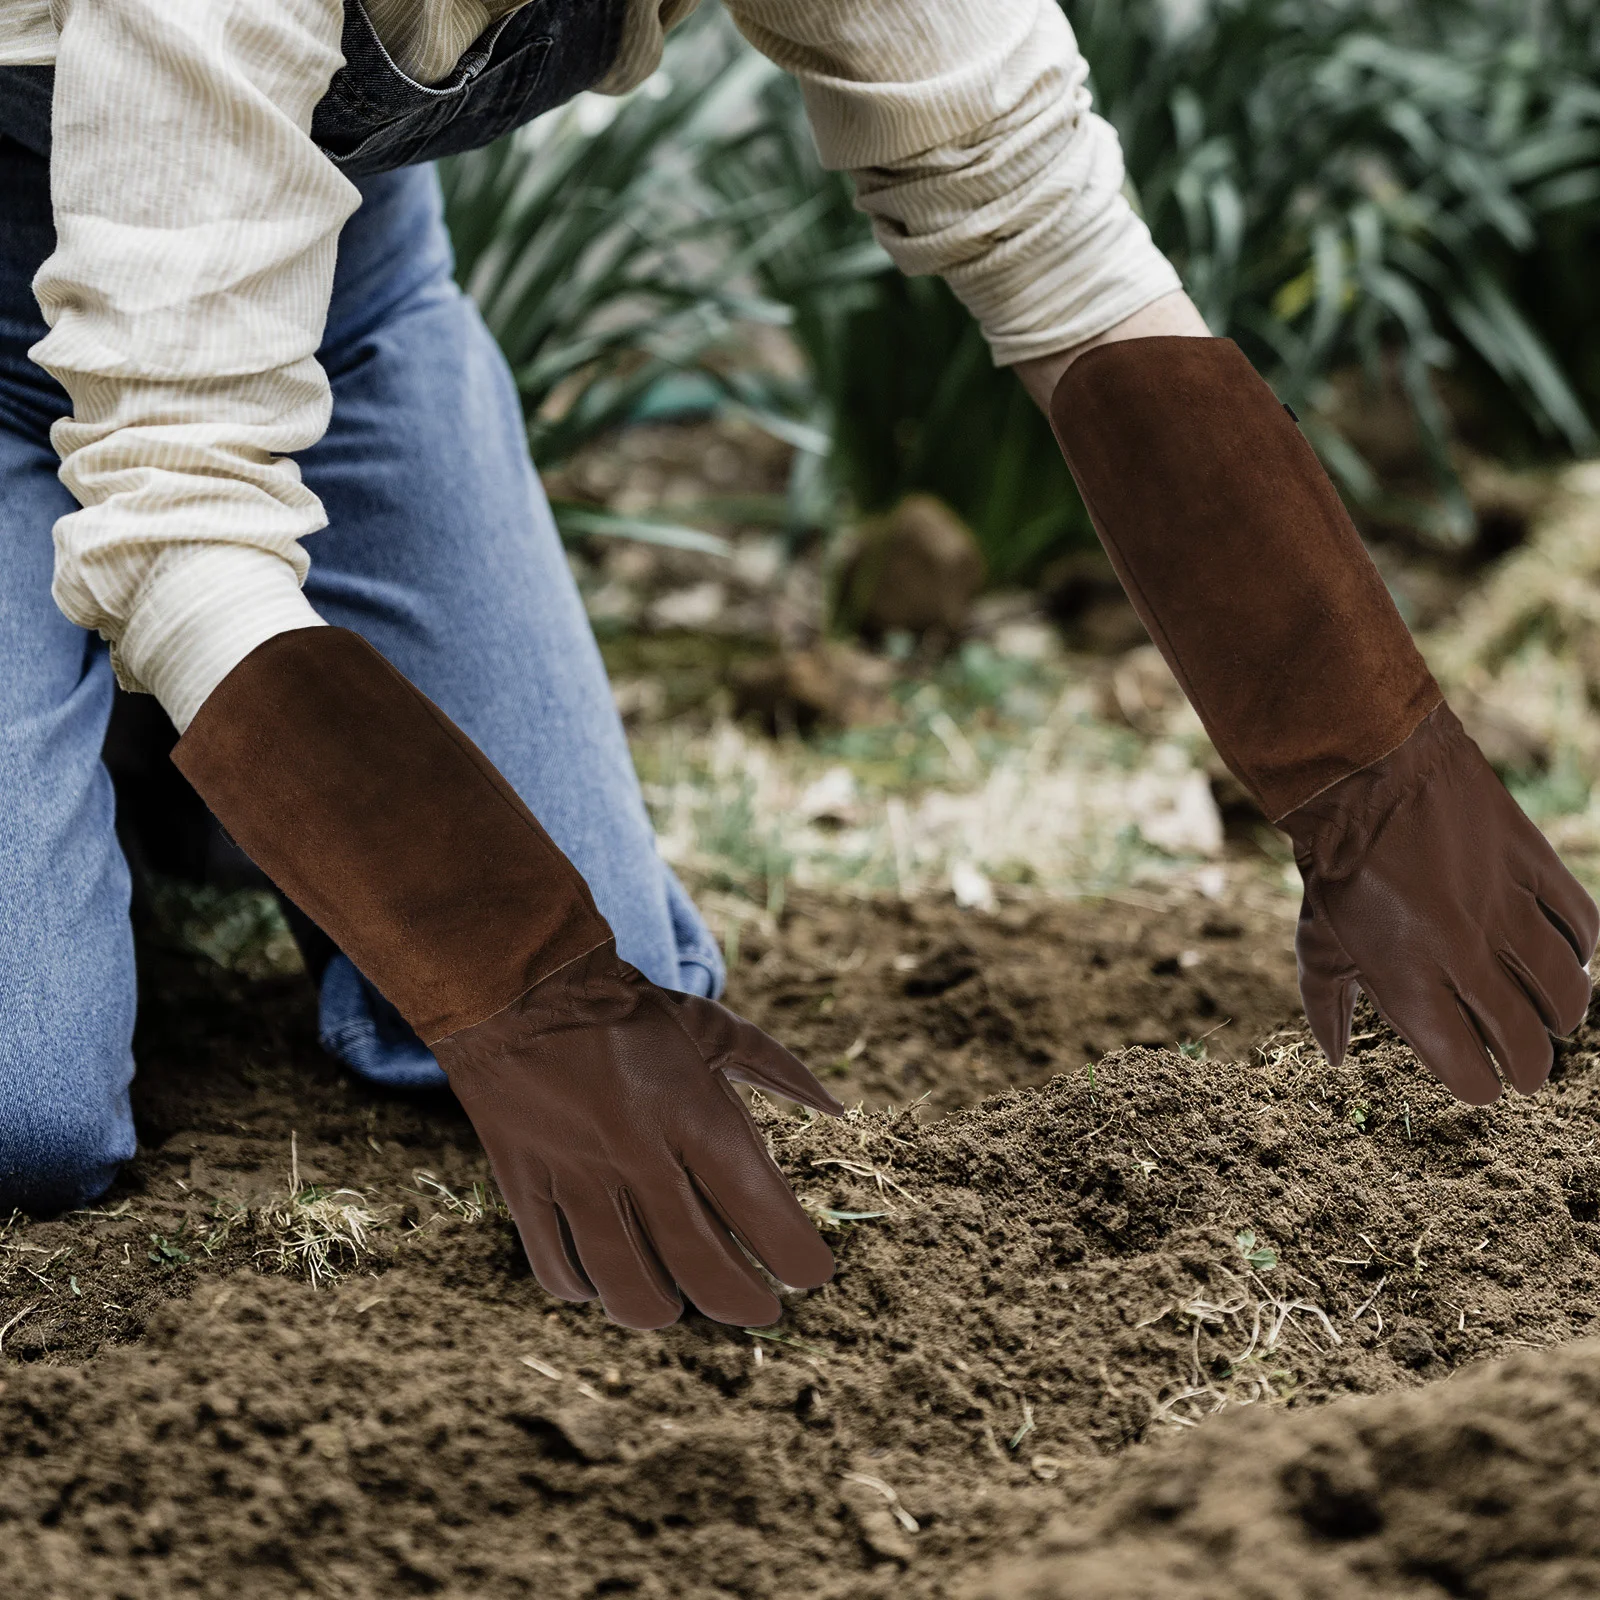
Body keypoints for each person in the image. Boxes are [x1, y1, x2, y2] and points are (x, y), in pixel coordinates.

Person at [0, 0, 1592, 1330]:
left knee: (623, 962)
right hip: (130, 371)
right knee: (33, 1108)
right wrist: (499, 967)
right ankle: (134, 740)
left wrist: (1366, 753)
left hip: (329, 300)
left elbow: (1040, 213)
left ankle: (154, 761)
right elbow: (178, 495)